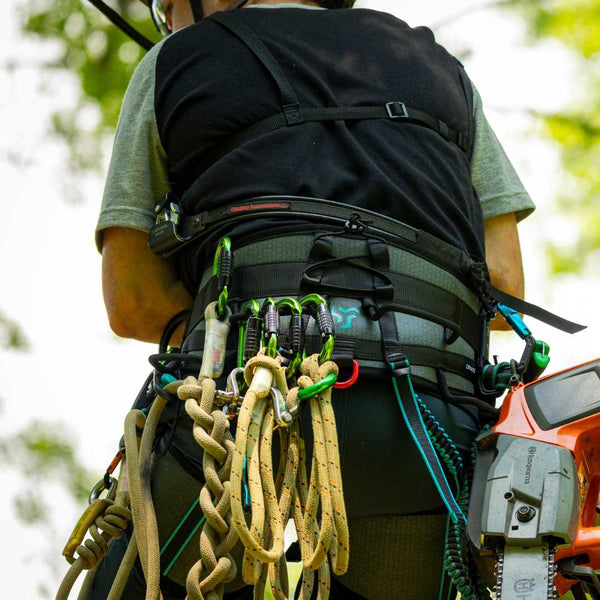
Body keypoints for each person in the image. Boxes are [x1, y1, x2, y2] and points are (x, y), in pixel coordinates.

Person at [93, 0, 535, 598]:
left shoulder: (173, 62)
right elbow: (504, 284)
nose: (168, 21)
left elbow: (134, 302)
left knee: (128, 572)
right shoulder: (442, 70)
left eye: (168, 6)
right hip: (431, 435)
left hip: (233, 431)